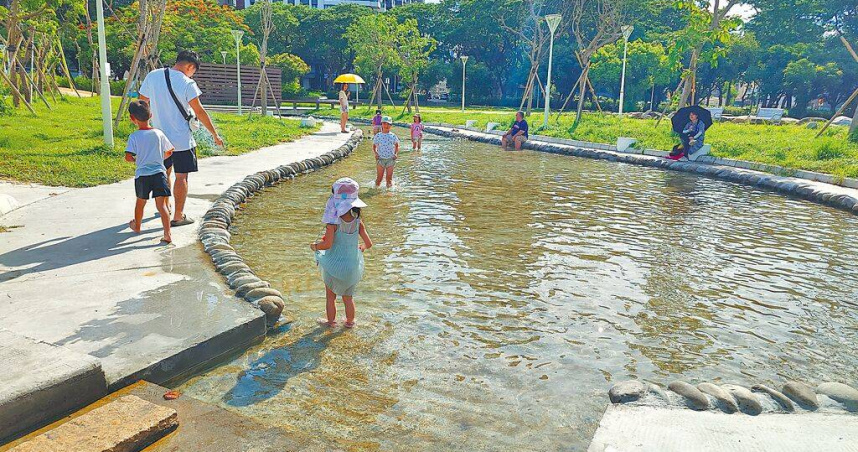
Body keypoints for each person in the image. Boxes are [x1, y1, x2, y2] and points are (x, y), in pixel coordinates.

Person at [138, 50, 223, 228]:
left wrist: (147, 127)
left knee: (164, 172)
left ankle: (166, 206)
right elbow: (199, 111)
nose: (193, 74)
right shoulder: (187, 83)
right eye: (194, 71)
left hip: (159, 138)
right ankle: (178, 216)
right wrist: (214, 134)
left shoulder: (153, 76)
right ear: (190, 66)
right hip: (181, 139)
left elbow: (142, 103)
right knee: (181, 176)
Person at [310, 178, 373, 328]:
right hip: (352, 267)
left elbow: (327, 244)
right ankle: (350, 323)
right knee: (348, 297)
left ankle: (331, 322)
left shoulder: (333, 223)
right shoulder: (358, 222)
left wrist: (315, 246)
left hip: (334, 266)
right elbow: (369, 244)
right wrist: (361, 248)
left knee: (330, 297)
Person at [124, 100, 174, 244]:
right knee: (162, 205)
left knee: (141, 202)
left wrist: (137, 160)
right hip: (159, 173)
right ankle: (167, 234)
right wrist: (159, 157)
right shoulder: (159, 134)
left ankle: (137, 226)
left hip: (142, 175)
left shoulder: (134, 137)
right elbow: (170, 151)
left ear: (132, 118)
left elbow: (128, 157)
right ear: (151, 115)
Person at [373, 116, 399, 188]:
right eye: (384, 123)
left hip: (390, 159)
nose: (386, 126)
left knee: (389, 179)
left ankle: (389, 194)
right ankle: (375, 190)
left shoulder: (393, 136)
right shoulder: (378, 136)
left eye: (388, 124)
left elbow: (397, 146)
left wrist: (396, 154)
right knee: (379, 179)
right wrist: (376, 154)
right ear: (382, 124)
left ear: (391, 125)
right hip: (380, 159)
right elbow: (374, 146)